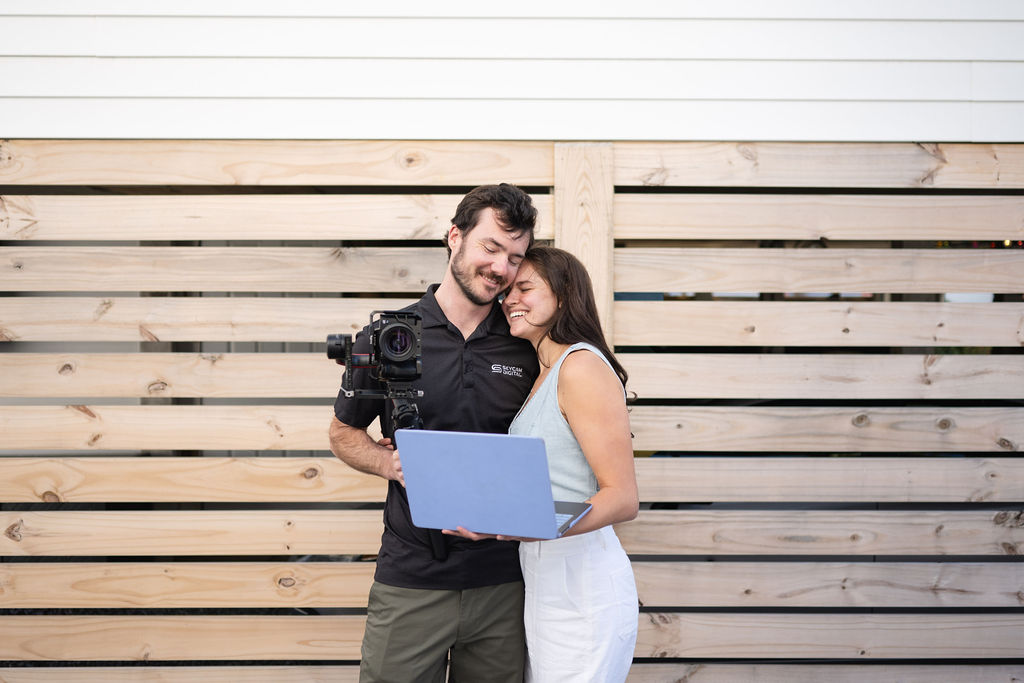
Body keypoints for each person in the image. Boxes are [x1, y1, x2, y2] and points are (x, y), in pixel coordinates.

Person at [329, 183, 540, 683]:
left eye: (515, 258)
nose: (500, 269)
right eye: (491, 248)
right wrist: (387, 463)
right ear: (455, 237)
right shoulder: (389, 337)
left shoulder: (529, 345)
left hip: (506, 582)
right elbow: (343, 432)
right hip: (412, 579)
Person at [447, 245, 640, 682]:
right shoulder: (543, 373)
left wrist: (532, 523)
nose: (510, 299)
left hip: (583, 586)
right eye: (507, 292)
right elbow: (550, 478)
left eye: (526, 288)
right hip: (542, 582)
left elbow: (623, 499)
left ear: (564, 292)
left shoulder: (581, 367)